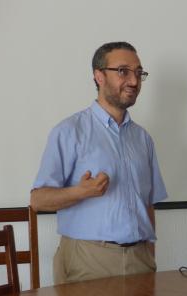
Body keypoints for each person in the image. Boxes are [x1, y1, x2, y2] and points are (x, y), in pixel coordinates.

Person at [31, 41, 167, 284]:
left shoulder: (143, 138)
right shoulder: (69, 131)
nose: (134, 81)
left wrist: (149, 253)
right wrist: (79, 192)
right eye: (123, 71)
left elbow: (147, 204)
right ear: (99, 76)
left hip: (140, 260)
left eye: (138, 73)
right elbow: (37, 201)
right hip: (89, 259)